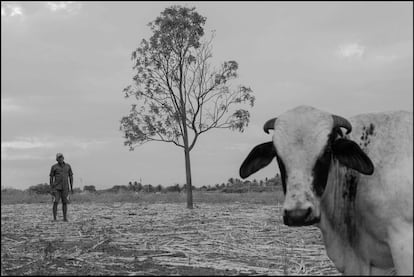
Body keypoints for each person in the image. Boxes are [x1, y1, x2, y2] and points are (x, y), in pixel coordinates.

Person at [49, 153, 73, 221]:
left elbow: (71, 177)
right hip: (56, 188)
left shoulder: (68, 166)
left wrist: (71, 187)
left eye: (61, 157)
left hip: (65, 187)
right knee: (55, 202)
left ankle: (65, 218)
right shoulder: (54, 167)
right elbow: (51, 178)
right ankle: (54, 218)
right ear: (57, 159)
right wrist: (51, 188)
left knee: (65, 202)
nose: (60, 159)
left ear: (63, 158)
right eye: (59, 158)